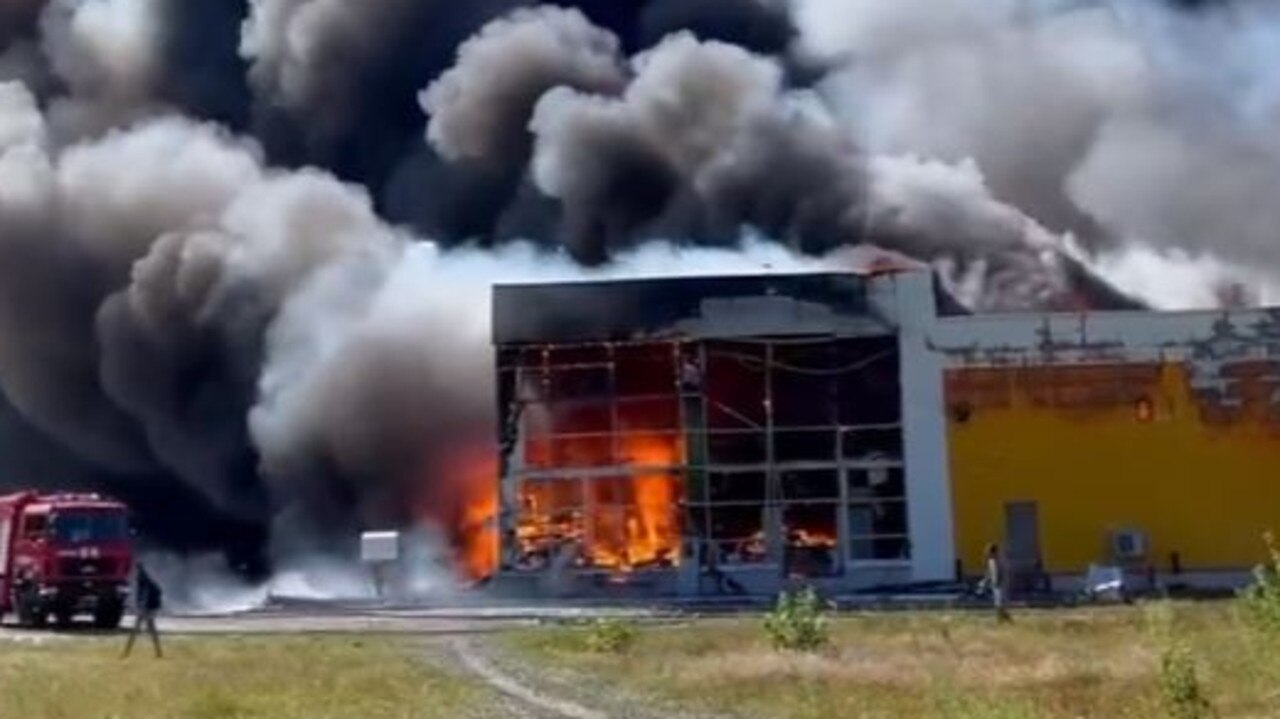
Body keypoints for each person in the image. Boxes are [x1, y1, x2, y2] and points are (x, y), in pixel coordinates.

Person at [122, 562, 163, 659]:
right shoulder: (146, 578)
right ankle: (158, 652)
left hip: (146, 608)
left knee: (136, 630)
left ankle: (127, 652)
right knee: (152, 630)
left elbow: (143, 594)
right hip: (149, 607)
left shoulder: (142, 579)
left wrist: (140, 607)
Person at [983, 543, 1013, 624]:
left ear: (994, 552)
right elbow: (990, 573)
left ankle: (1003, 621)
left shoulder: (1000, 561)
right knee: (998, 606)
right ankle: (1005, 621)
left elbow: (1003, 574)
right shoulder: (991, 561)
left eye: (988, 552)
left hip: (1001, 585)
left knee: (1000, 605)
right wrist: (985, 582)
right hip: (996, 585)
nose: (987, 554)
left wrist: (999, 584)